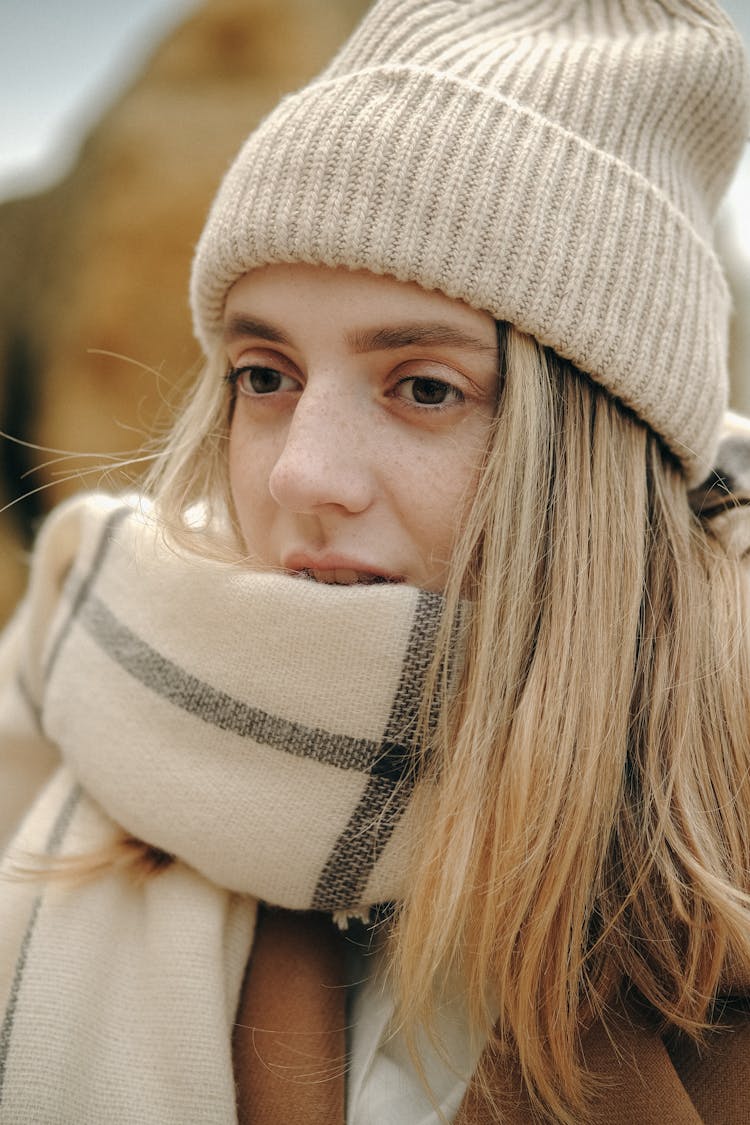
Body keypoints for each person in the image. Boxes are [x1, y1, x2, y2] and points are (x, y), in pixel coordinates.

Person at [1, 0, 750, 1122]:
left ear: (594, 456)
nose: (303, 475)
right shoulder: (66, 689)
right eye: (265, 374)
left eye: (425, 388)